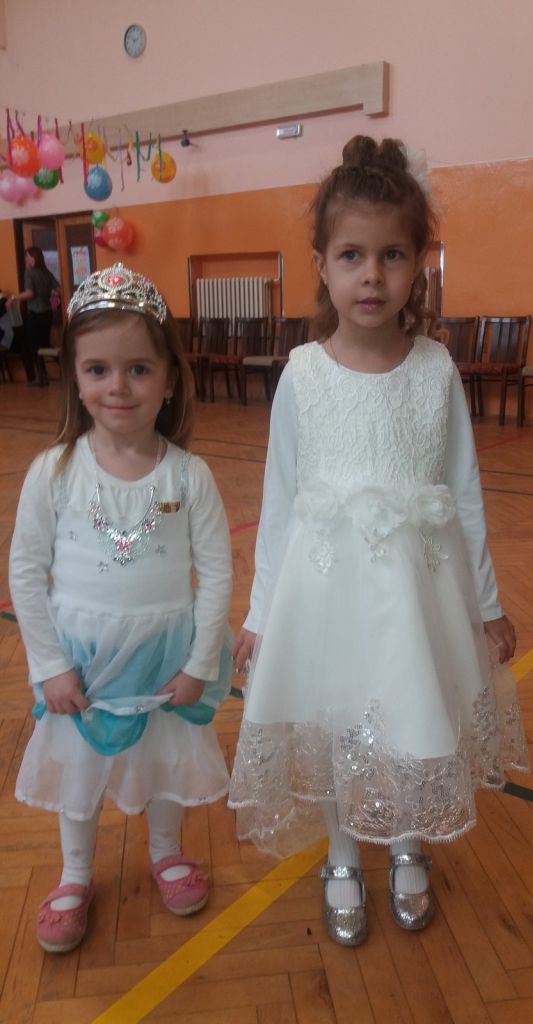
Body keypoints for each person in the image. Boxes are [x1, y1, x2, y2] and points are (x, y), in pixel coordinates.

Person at [228, 136, 529, 947]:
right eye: (352, 255)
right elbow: (280, 504)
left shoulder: (435, 370)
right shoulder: (303, 374)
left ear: (418, 266)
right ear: (322, 266)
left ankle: (405, 842)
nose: (371, 275)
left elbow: (464, 492)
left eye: (392, 255)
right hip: (324, 597)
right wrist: (259, 615)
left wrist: (487, 606)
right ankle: (339, 854)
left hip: (418, 595)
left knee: (411, 717)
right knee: (336, 727)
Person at [9, 263, 233, 954]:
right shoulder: (54, 472)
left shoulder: (190, 475)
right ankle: (75, 873)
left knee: (164, 759)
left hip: (166, 657)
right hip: (83, 664)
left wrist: (199, 664)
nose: (118, 387)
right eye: (99, 370)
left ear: (168, 379)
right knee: (80, 770)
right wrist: (48, 666)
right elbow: (25, 573)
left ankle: (165, 851)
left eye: (138, 369)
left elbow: (216, 574)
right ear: (75, 378)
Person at [7, 246, 60, 385]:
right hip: (47, 313)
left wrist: (13, 298)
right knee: (44, 344)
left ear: (32, 258)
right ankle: (62, 366)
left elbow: (29, 293)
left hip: (35, 314)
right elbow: (57, 289)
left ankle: (40, 377)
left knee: (33, 346)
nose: (25, 259)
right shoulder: (46, 272)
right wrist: (48, 295)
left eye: (27, 256)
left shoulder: (29, 273)